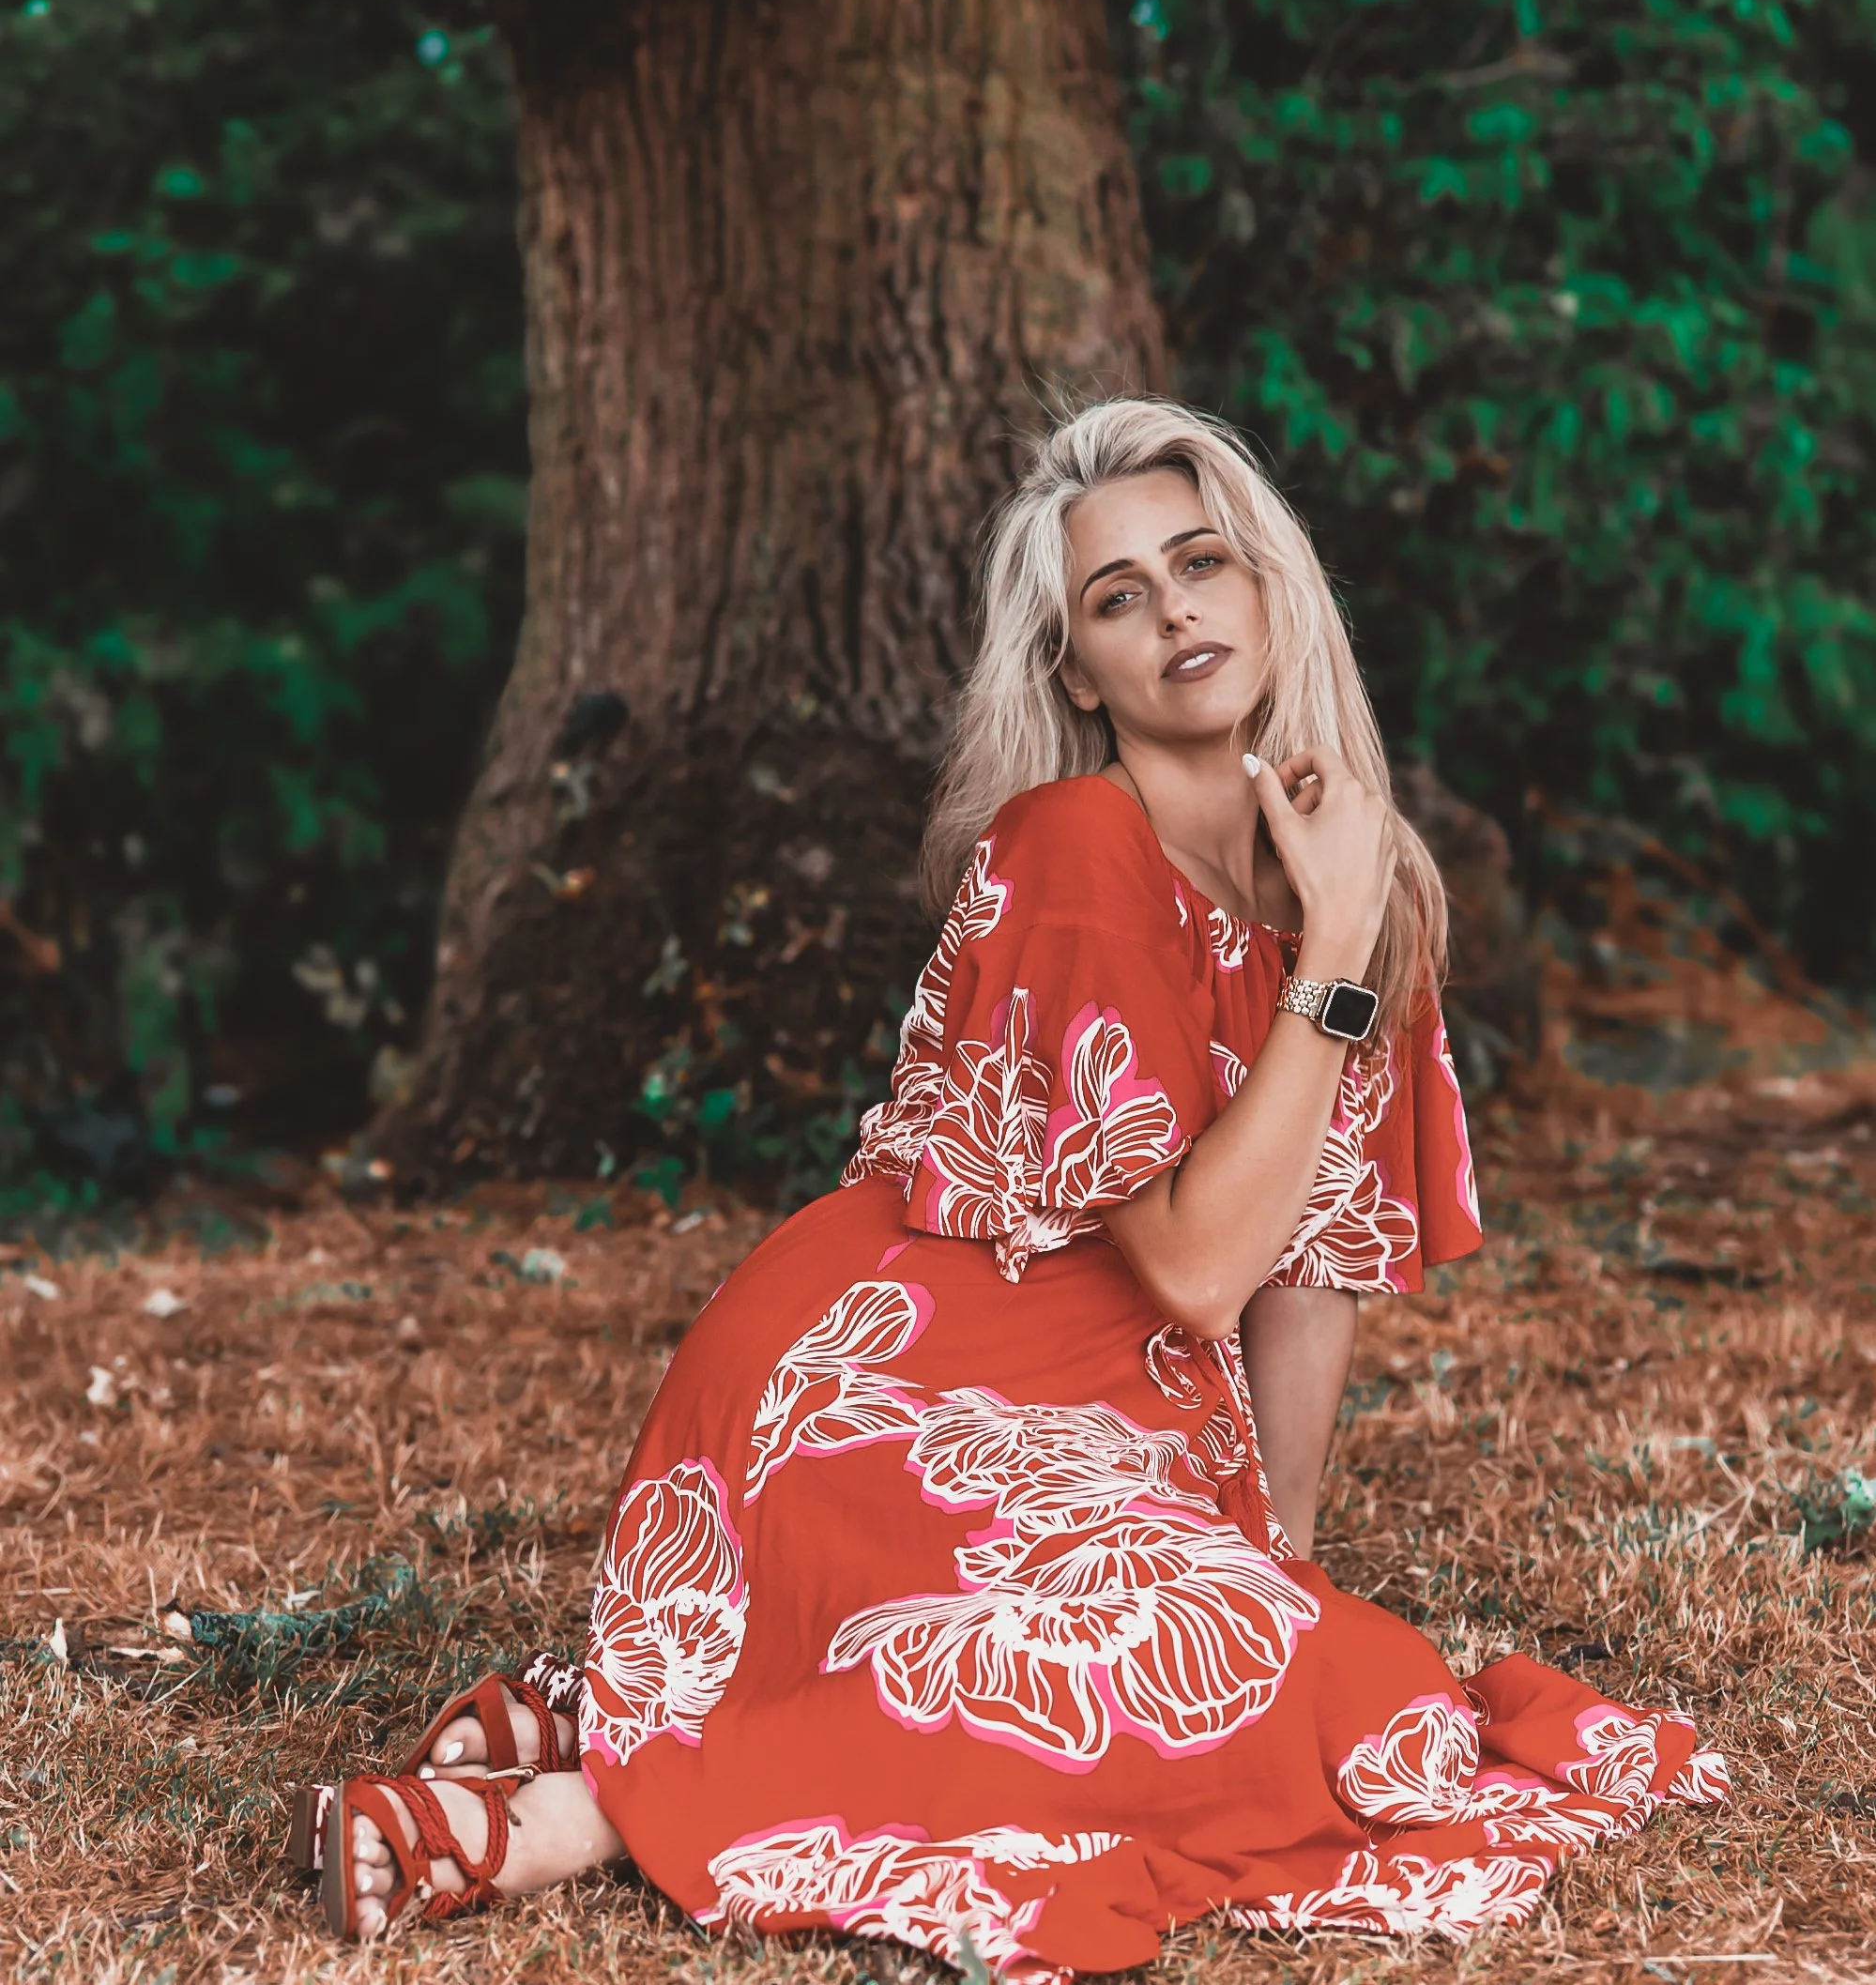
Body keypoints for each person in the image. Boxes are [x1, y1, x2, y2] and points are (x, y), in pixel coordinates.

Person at [302, 399, 1724, 1962]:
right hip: (890, 1397)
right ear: (1074, 667)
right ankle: (576, 1812)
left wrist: (1281, 1565)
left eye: (1202, 562)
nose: (1176, 609)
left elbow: (1316, 1258)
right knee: (1217, 1703)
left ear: (1269, 588)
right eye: (1119, 596)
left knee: (1352, 1704)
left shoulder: (1348, 867)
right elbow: (1191, 1272)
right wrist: (1325, 956)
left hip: (1108, 1425)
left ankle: (629, 1731)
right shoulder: (1072, 849)